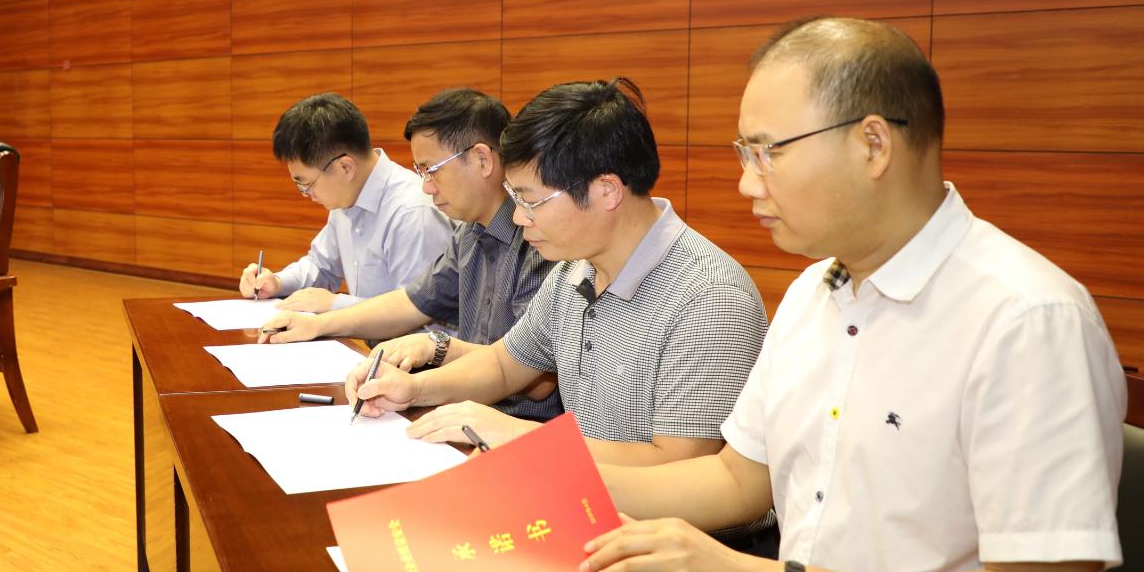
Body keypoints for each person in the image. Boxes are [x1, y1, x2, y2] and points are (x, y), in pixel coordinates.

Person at [579, 18, 1126, 572]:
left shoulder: (1026, 319)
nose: (747, 183)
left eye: (768, 151)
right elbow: (737, 479)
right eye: (744, 153)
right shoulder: (815, 290)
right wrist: (546, 480)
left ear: (872, 144)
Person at [346, 77, 769, 467]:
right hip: (581, 493)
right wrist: (412, 389)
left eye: (530, 201)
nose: (518, 218)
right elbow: (504, 365)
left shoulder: (709, 296)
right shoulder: (574, 271)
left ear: (606, 191)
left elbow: (678, 466)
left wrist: (519, 436)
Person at [259, 88, 561, 421]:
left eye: (432, 170)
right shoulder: (469, 233)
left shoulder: (540, 242)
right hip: (463, 412)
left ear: (481, 160)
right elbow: (412, 302)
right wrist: (318, 324)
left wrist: (436, 348)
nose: (426, 187)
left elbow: (535, 379)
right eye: (421, 173)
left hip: (517, 425)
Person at [238, 92, 453, 313]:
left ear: (345, 167)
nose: (307, 194)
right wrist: (277, 283)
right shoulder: (347, 195)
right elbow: (322, 266)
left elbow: (419, 312)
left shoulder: (412, 213)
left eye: (308, 184)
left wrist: (335, 304)